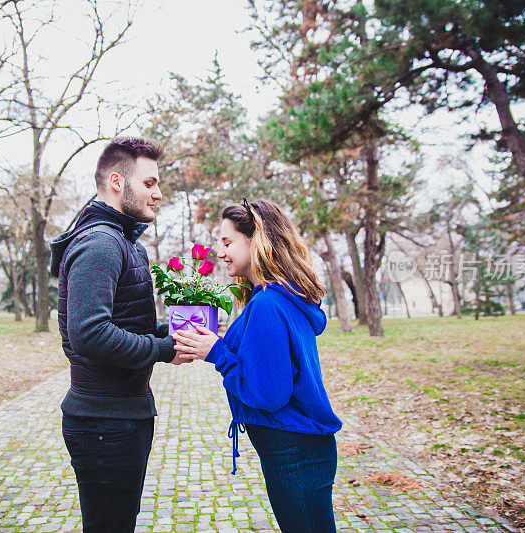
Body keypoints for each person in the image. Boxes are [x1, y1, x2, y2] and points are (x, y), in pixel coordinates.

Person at [174, 198, 342, 533]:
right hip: (298, 449)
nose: (220, 252)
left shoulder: (269, 303)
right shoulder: (277, 297)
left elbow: (269, 394)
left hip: (295, 452)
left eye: (227, 242)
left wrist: (217, 353)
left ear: (256, 240)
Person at [50, 137, 189, 532]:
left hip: (120, 415)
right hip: (103, 421)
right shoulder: (101, 244)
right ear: (116, 181)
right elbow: (90, 334)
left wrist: (179, 333)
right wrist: (163, 349)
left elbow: (127, 324)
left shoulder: (121, 241)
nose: (158, 194)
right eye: (149, 183)